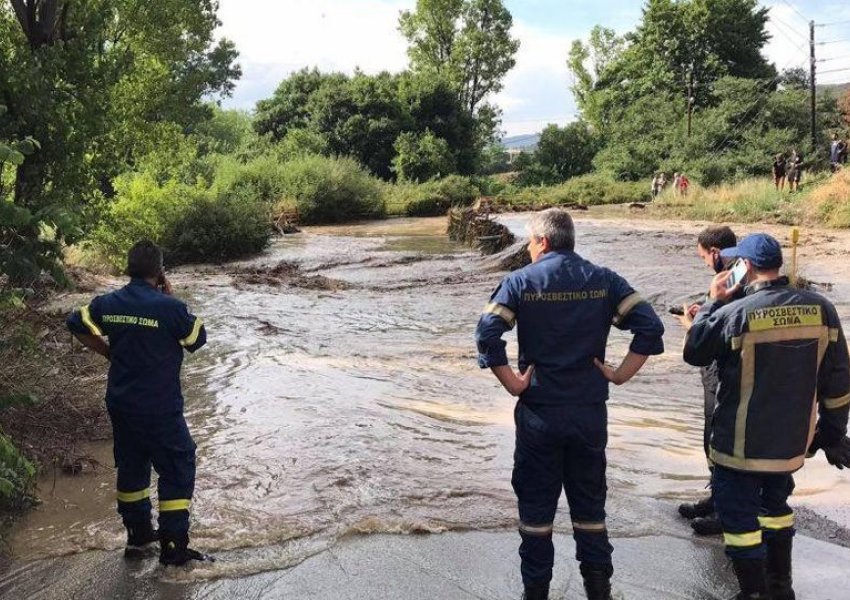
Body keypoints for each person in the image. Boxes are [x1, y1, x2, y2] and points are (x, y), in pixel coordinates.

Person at [475, 209, 665, 600]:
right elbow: (650, 327)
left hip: (539, 413)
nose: (528, 248)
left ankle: (536, 593)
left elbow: (487, 333)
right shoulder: (604, 279)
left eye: (530, 241)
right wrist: (619, 373)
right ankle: (599, 591)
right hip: (588, 412)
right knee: (590, 509)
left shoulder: (519, 282)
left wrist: (512, 382)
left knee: (536, 513)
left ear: (542, 241)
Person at [683, 233, 850, 600]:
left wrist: (713, 302)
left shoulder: (733, 313)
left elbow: (695, 351)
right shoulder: (822, 309)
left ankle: (754, 594)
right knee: (775, 509)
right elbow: (838, 380)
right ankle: (781, 588)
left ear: (744, 267)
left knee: (740, 521)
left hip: (739, 445)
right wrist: (832, 434)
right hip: (791, 445)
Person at [66, 240, 213, 566]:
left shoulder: (109, 302)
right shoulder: (169, 307)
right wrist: (170, 300)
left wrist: (107, 351)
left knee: (132, 467)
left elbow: (75, 323)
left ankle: (138, 537)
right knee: (177, 466)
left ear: (128, 268)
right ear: (159, 272)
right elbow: (196, 339)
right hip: (160, 407)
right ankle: (173, 548)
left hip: (122, 404)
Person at [676, 225, 738, 537]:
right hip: (723, 368)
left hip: (722, 369)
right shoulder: (738, 273)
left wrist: (692, 323)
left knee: (717, 436)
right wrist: (706, 309)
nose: (703, 262)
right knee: (713, 436)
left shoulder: (729, 278)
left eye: (703, 256)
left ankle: (724, 510)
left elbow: (716, 329)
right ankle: (718, 499)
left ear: (715, 253)